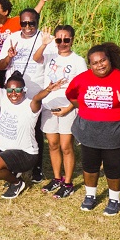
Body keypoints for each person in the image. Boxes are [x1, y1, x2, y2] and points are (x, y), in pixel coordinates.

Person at [67, 43, 120, 216]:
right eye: (95, 63)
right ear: (89, 65)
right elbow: (71, 96)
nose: (100, 65)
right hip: (89, 130)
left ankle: (114, 199)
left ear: (109, 60)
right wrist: (86, 110)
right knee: (90, 165)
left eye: (103, 60)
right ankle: (90, 196)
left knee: (113, 166)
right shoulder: (82, 79)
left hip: (114, 131)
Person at [34, 24, 87, 197]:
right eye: (59, 39)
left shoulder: (78, 60)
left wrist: (70, 107)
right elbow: (36, 58)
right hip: (49, 106)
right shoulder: (50, 54)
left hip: (67, 107)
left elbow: (82, 88)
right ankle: (57, 178)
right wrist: (44, 44)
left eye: (66, 39)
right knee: (53, 144)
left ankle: (68, 182)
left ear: (72, 39)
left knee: (66, 146)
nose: (62, 43)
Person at [0, 72, 41, 199]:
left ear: (24, 90)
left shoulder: (30, 105)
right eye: (10, 90)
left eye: (17, 90)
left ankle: (17, 183)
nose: (13, 93)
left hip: (25, 153)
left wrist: (48, 90)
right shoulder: (3, 97)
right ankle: (9, 171)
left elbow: (37, 98)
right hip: (3, 147)